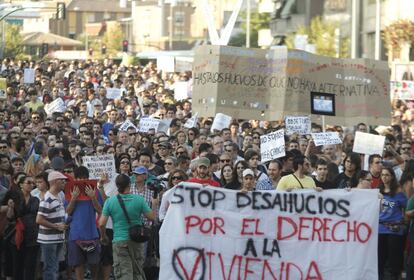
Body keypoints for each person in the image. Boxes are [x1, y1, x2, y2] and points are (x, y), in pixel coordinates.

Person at [99, 174, 156, 280]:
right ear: (130, 184)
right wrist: (155, 204)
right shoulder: (139, 199)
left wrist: (103, 237)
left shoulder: (110, 201)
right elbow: (152, 217)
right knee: (137, 272)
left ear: (116, 185)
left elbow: (101, 223)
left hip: (120, 240)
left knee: (124, 274)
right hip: (137, 240)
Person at [65, 166, 103, 280]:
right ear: (75, 179)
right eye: (79, 178)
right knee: (78, 264)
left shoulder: (94, 191)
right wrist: (73, 198)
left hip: (92, 234)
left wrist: (93, 197)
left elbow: (100, 210)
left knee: (94, 264)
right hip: (75, 234)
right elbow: (67, 211)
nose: (82, 180)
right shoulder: (70, 190)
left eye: (84, 178)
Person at [36, 171, 68, 280]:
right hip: (49, 240)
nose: (64, 182)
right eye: (62, 180)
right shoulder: (47, 199)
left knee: (54, 266)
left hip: (57, 238)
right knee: (50, 267)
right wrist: (57, 226)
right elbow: (39, 219)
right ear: (54, 182)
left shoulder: (58, 196)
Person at [378, 167, 407, 280]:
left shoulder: (399, 192)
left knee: (394, 258)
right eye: (382, 175)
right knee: (381, 257)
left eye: (387, 175)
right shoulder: (378, 191)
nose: (384, 177)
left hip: (394, 229)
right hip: (380, 228)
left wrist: (403, 220)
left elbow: (406, 207)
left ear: (392, 177)